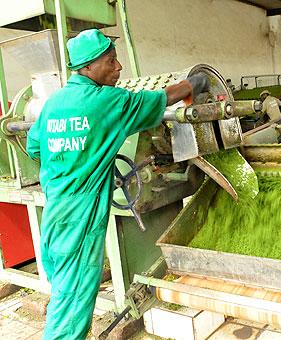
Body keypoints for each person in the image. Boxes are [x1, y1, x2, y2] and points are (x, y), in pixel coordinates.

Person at [26, 28, 209, 340]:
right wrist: (194, 84)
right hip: (80, 220)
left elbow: (35, 148)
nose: (119, 67)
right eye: (110, 62)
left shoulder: (54, 104)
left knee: (63, 292)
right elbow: (161, 99)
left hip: (56, 212)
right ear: (87, 67)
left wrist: (87, 160)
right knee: (72, 309)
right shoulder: (107, 101)